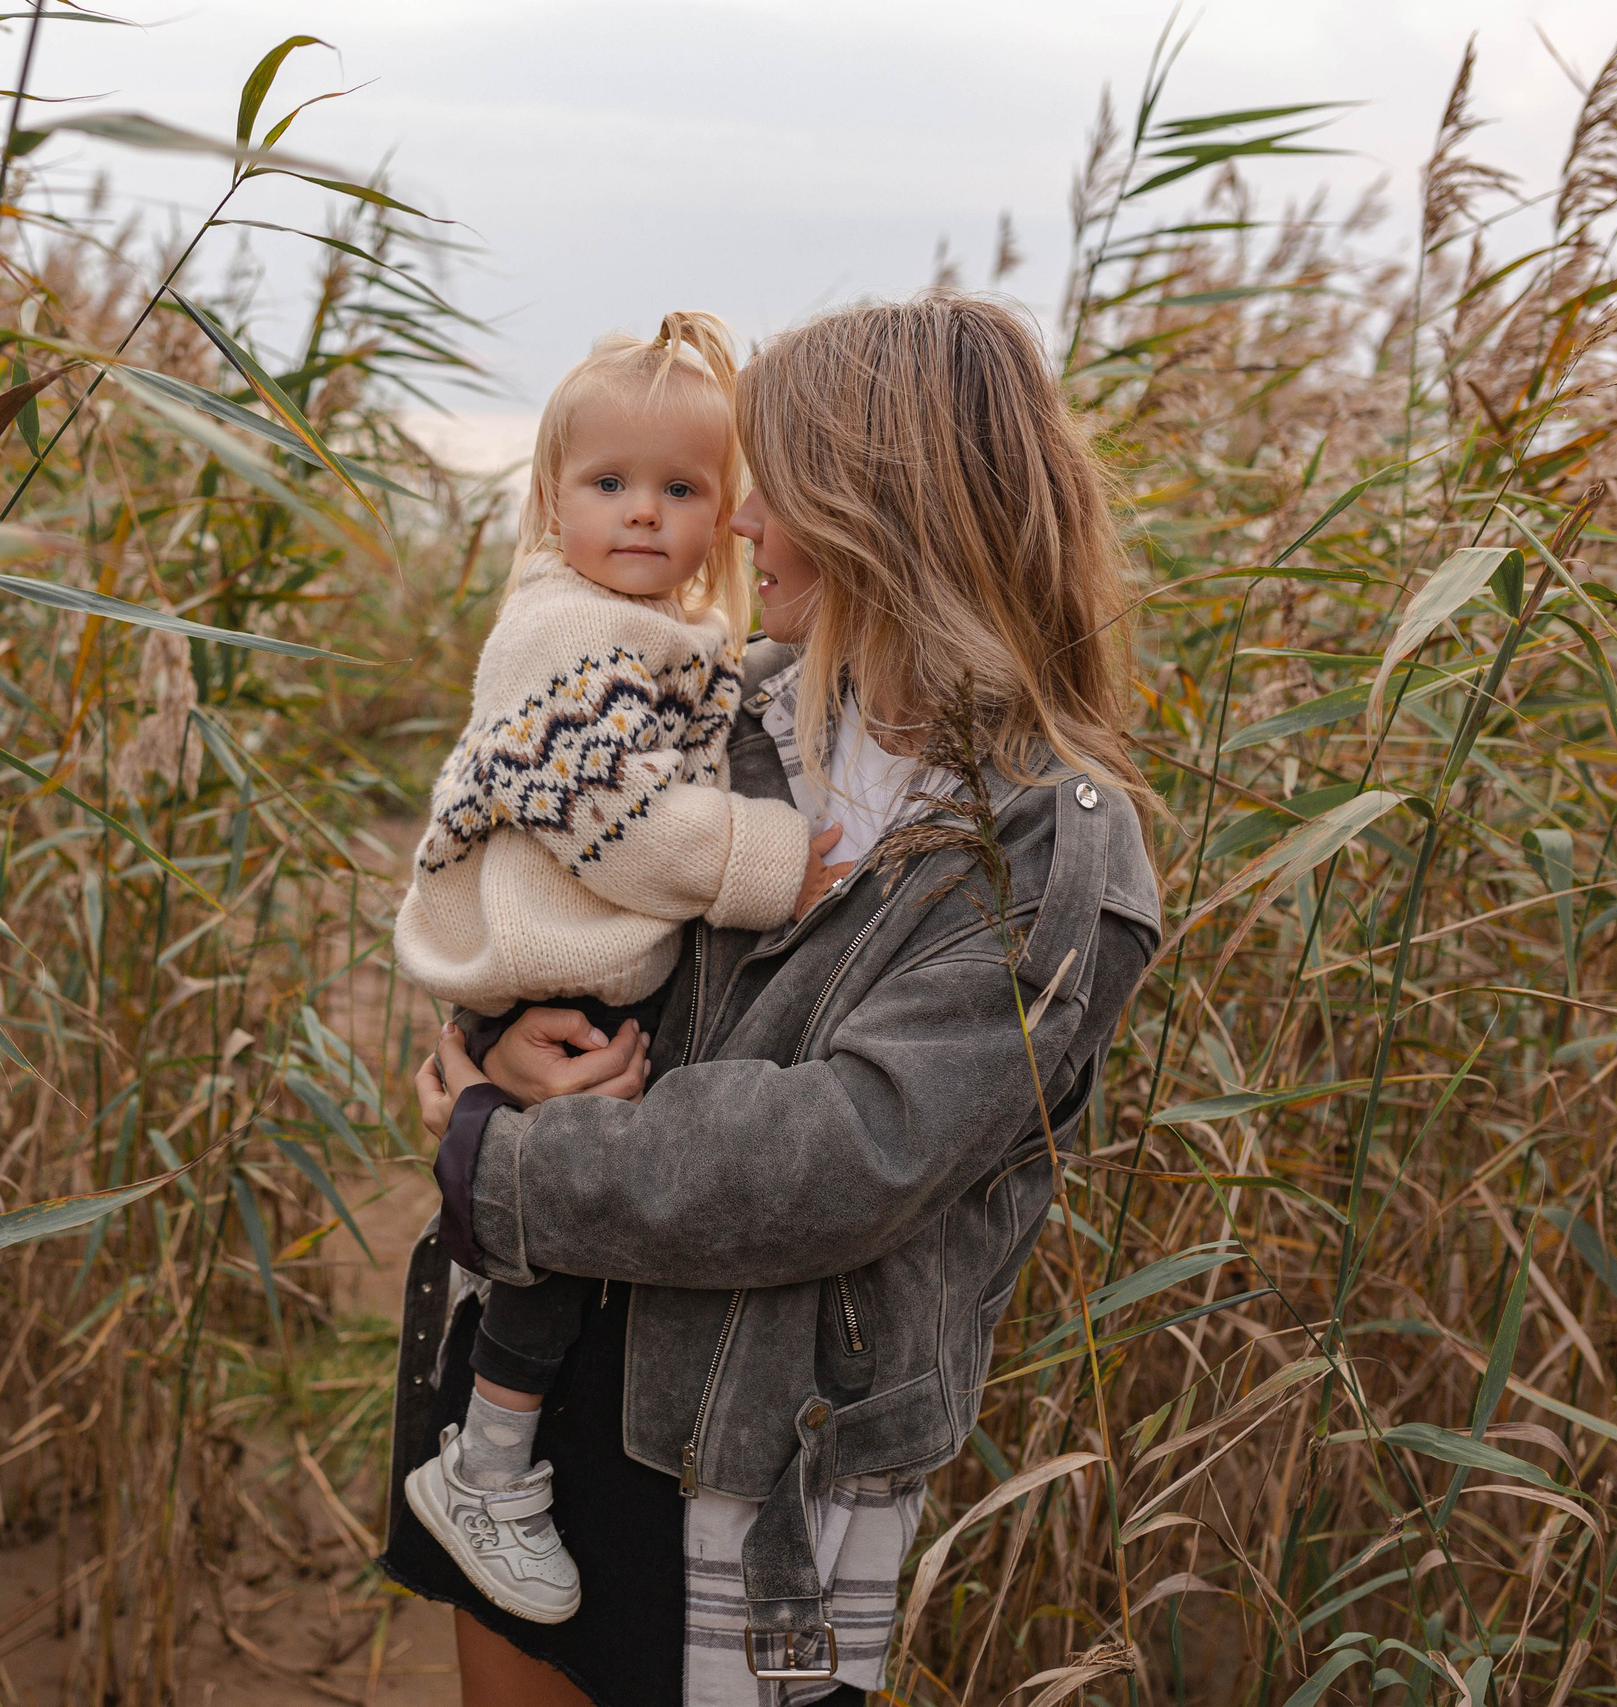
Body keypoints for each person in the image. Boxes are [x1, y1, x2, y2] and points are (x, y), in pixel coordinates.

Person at [380, 293, 1163, 1707]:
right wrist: (488, 1045)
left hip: (751, 1453)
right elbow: (548, 885)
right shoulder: (726, 706)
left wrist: (502, 1151)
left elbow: (837, 1156)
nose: (733, 530)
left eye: (770, 493)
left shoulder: (1053, 850)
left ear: (879, 516)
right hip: (537, 1357)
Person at [393, 312, 839, 1624]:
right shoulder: (560, 636)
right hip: (555, 974)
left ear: (726, 512)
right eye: (610, 486)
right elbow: (617, 820)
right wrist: (779, 860)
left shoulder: (663, 638)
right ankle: (485, 1466)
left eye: (682, 490)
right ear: (551, 501)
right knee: (564, 1223)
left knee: (565, 1216)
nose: (645, 515)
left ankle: (493, 1453)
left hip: (572, 976)